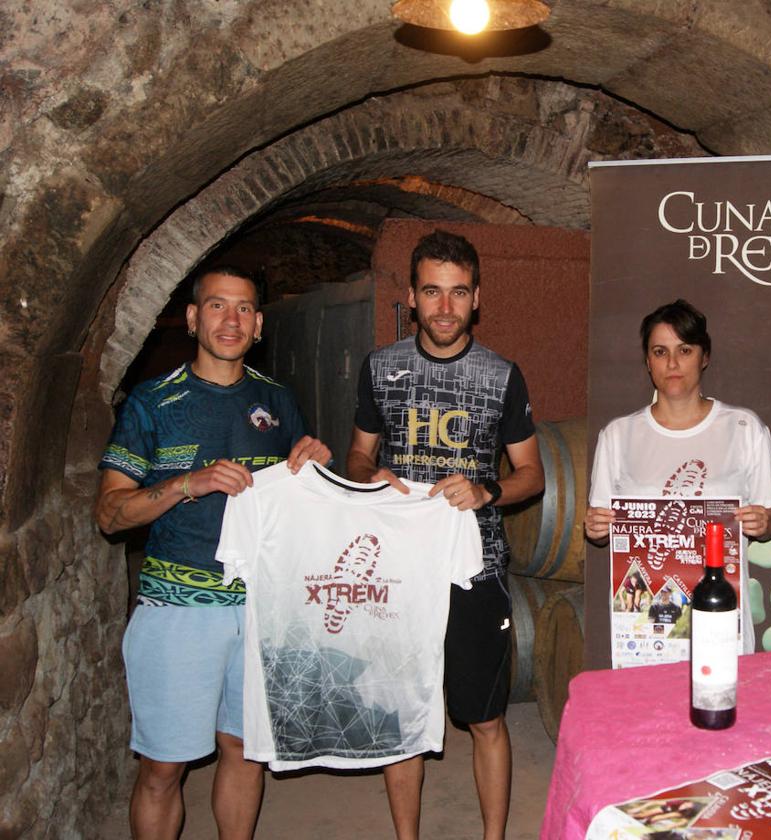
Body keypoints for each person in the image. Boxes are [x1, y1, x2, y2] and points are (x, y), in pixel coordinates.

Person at [95, 266, 330, 840]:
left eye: (245, 309)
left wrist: (316, 469)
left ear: (259, 326)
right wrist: (185, 484)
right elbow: (109, 514)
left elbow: (300, 506)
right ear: (194, 318)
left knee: (244, 750)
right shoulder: (153, 403)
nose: (231, 319)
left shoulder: (276, 399)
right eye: (218, 307)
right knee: (163, 766)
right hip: (177, 609)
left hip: (259, 608)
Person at [346, 229, 544, 840]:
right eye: (432, 292)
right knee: (402, 712)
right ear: (412, 295)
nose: (445, 307)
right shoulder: (381, 367)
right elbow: (355, 456)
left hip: (475, 567)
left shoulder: (502, 376)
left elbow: (531, 473)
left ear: (476, 297)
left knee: (484, 718)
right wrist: (372, 476)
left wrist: (489, 491)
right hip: (398, 570)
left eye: (458, 293)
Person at [584, 299, 771, 652]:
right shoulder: (618, 435)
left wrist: (763, 521)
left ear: (704, 356)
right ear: (648, 361)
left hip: (722, 614)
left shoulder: (744, 427)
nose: (672, 363)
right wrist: (597, 528)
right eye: (660, 351)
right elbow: (602, 530)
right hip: (646, 623)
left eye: (684, 350)